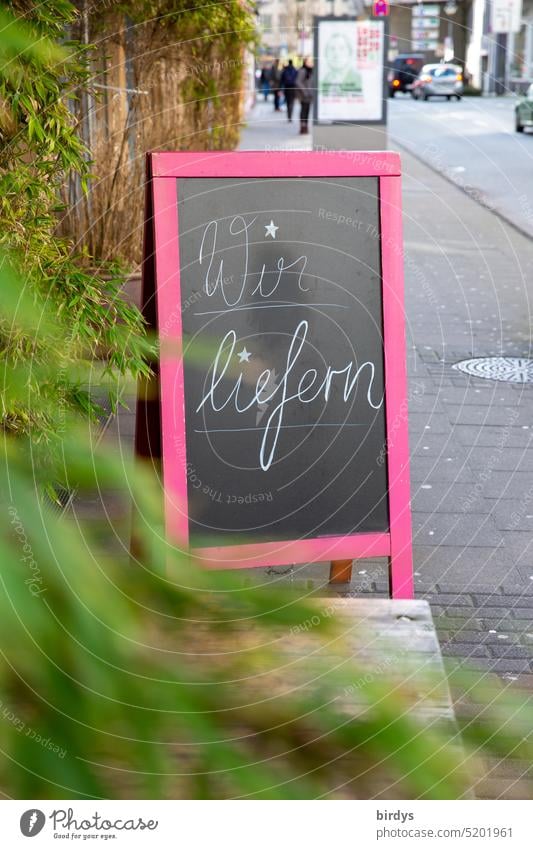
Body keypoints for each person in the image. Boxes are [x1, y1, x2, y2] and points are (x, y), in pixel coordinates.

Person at [296, 57, 314, 135]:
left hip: (310, 95)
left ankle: (305, 126)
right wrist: (305, 91)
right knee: (304, 110)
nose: (310, 63)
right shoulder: (303, 70)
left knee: (307, 110)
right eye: (309, 61)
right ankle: (302, 126)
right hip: (304, 95)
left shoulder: (311, 71)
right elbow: (298, 82)